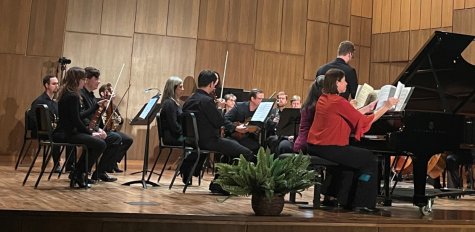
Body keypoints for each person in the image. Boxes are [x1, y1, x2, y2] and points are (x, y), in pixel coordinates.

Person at [307, 68, 398, 212]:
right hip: (330, 147)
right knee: (369, 159)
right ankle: (362, 204)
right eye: (343, 81)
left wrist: (368, 107)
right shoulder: (338, 101)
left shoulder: (324, 99)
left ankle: (344, 200)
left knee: (353, 161)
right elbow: (366, 121)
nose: (346, 83)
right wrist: (386, 106)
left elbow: (348, 115)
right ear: (337, 83)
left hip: (316, 146)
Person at [182, 69, 255, 195]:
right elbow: (218, 122)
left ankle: (219, 182)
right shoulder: (206, 101)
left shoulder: (190, 100)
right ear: (211, 84)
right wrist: (220, 109)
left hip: (193, 141)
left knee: (231, 146)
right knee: (245, 152)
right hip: (209, 141)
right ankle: (223, 184)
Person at [52, 67, 106, 188]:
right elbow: (76, 121)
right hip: (65, 134)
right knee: (100, 144)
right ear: (77, 80)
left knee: (96, 143)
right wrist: (90, 133)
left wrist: (89, 133)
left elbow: (76, 118)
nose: (84, 81)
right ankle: (79, 173)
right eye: (83, 79)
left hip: (64, 132)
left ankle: (78, 173)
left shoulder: (67, 93)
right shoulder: (72, 96)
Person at [80, 67, 122, 182]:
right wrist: (95, 130)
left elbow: (95, 117)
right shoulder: (81, 95)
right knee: (101, 141)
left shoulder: (91, 96)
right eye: (96, 79)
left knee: (116, 138)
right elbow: (82, 117)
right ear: (87, 80)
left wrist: (98, 128)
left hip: (91, 128)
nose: (99, 81)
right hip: (83, 129)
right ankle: (81, 172)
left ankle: (100, 171)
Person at [29, 75, 62, 173]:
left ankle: (71, 166)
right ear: (46, 85)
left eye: (57, 83)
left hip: (53, 130)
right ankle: (56, 164)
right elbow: (33, 116)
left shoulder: (57, 101)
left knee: (66, 134)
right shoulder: (39, 101)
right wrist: (47, 124)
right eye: (54, 84)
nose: (57, 86)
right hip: (41, 131)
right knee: (58, 136)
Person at [98, 83, 134, 173]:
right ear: (102, 93)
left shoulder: (113, 106)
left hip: (111, 130)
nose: (112, 93)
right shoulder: (99, 103)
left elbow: (121, 121)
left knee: (128, 139)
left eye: (112, 92)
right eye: (109, 92)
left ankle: (113, 162)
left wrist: (119, 119)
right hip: (102, 130)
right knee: (116, 139)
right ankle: (108, 165)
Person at [223, 89, 265, 154]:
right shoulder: (239, 106)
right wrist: (235, 128)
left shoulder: (261, 110)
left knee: (258, 148)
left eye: (262, 98)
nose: (262, 101)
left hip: (251, 138)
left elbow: (264, 124)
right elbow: (224, 119)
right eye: (259, 98)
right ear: (252, 98)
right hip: (234, 136)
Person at [160, 76, 184, 146]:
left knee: (199, 140)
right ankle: (189, 157)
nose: (183, 89)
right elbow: (174, 125)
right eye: (180, 87)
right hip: (172, 137)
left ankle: (189, 157)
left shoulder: (175, 103)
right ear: (173, 88)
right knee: (199, 143)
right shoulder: (169, 103)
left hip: (176, 135)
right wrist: (185, 133)